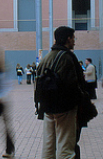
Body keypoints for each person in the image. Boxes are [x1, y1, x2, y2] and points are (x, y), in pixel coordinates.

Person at [35, 26, 87, 158]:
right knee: (65, 146)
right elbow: (73, 84)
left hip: (47, 107)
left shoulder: (46, 58)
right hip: (65, 108)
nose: (74, 41)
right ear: (68, 38)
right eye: (73, 38)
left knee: (48, 145)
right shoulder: (67, 57)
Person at [0, 48, 15, 158]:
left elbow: (6, 87)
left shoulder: (2, 70)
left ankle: (9, 150)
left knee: (6, 127)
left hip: (1, 103)